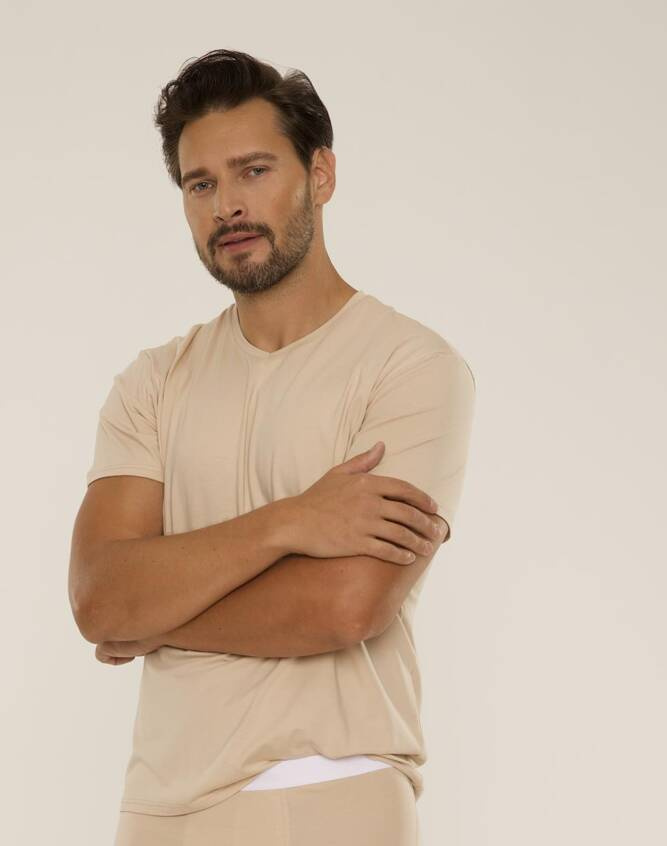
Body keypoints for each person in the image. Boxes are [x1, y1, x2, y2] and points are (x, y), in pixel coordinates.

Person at [68, 48, 477, 846]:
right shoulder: (154, 381)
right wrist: (290, 521)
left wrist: (157, 620)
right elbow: (100, 600)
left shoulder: (410, 367)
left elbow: (344, 605)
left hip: (325, 791)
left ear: (320, 174)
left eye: (254, 171)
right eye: (201, 184)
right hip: (156, 807)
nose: (228, 205)